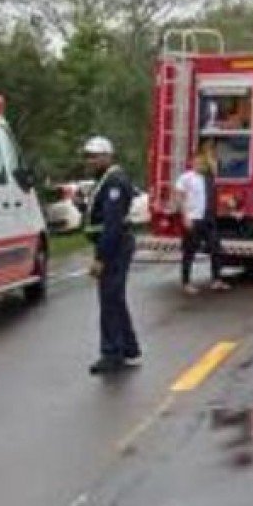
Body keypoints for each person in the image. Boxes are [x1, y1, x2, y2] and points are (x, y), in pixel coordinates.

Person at [82, 135, 142, 374]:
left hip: (114, 246)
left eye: (95, 156)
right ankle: (128, 348)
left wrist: (100, 258)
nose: (90, 161)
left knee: (109, 300)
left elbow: (112, 224)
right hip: (113, 245)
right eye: (88, 157)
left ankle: (112, 353)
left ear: (108, 157)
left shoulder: (114, 182)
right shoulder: (105, 180)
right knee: (115, 298)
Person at [174, 148, 229, 295]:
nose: (199, 164)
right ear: (192, 163)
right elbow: (179, 197)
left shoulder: (208, 178)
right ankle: (186, 283)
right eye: (196, 162)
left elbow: (215, 166)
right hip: (193, 219)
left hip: (208, 219)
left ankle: (216, 280)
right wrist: (185, 216)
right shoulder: (186, 178)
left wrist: (209, 153)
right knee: (189, 252)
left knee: (216, 248)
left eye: (202, 162)